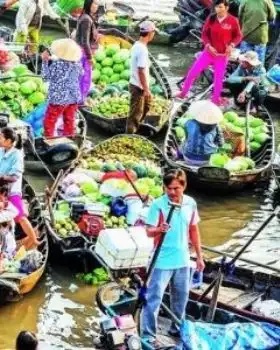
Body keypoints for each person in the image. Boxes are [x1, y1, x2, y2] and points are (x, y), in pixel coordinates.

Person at [142, 169, 205, 345]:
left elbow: (194, 230)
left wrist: (199, 256)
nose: (171, 192)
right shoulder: (158, 205)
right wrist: (159, 229)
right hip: (161, 260)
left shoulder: (190, 204)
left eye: (175, 188)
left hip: (183, 259)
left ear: (183, 186)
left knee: (181, 298)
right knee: (153, 299)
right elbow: (148, 231)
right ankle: (148, 335)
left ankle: (176, 328)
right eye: (168, 188)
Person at [177, 0, 242, 106]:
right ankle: (183, 93)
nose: (218, 9)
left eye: (220, 7)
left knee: (218, 79)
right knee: (192, 73)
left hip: (222, 56)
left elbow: (238, 36)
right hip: (208, 53)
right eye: (216, 7)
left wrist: (231, 45)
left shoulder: (233, 20)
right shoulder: (211, 18)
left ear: (226, 8)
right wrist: (208, 46)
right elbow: (204, 34)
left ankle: (215, 100)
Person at [0, 127, 39, 249]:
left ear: (9, 141)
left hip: (12, 190)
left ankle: (34, 240)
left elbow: (15, 176)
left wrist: (1, 177)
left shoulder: (16, 155)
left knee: (20, 216)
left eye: (1, 138)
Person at [40, 38, 83, 138]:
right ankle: (69, 138)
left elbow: (45, 77)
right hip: (73, 98)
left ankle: (50, 141)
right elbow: (80, 73)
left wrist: (45, 62)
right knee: (69, 121)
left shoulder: (57, 65)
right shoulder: (78, 65)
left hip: (59, 98)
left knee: (49, 122)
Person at [127, 21, 157, 134]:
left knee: (146, 107)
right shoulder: (142, 49)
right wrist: (146, 89)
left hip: (137, 84)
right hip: (138, 86)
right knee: (135, 115)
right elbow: (141, 71)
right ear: (150, 33)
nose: (154, 35)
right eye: (153, 32)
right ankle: (130, 135)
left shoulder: (137, 45)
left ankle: (136, 129)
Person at [182, 100, 225, 166]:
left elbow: (187, 137)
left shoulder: (189, 122)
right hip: (207, 160)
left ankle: (177, 155)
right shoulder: (216, 126)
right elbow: (221, 144)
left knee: (183, 142)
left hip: (188, 158)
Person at [75, 0, 101, 101]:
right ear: (88, 3)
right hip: (83, 53)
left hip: (81, 52)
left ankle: (79, 99)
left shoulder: (86, 17)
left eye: (97, 4)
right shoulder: (86, 19)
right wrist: (90, 57)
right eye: (94, 4)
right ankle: (80, 100)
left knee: (81, 77)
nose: (96, 6)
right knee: (84, 78)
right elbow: (84, 41)